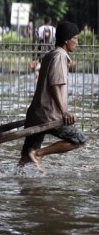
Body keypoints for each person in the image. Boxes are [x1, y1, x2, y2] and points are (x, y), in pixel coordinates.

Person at [18, 22, 86, 172]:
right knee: (79, 139)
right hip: (49, 115)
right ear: (67, 40)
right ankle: (39, 154)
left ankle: (21, 182)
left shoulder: (52, 55)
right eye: (76, 38)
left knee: (25, 161)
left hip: (37, 114)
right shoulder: (60, 56)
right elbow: (55, 84)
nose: (77, 42)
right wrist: (64, 112)